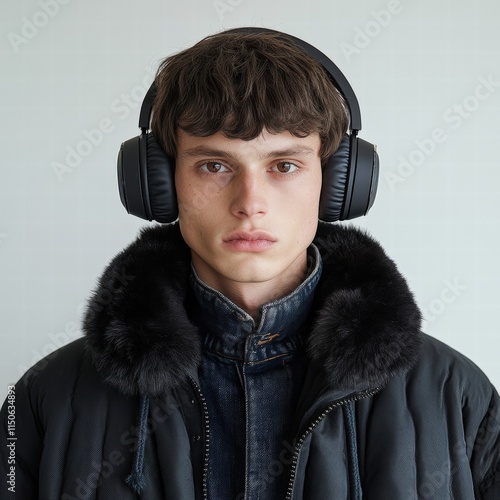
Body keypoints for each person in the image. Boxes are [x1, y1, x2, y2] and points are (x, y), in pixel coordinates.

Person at [1, 27, 499, 500]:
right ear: (157, 183)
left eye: (285, 165)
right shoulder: (47, 397)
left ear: (337, 184)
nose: (250, 202)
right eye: (214, 165)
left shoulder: (456, 396)